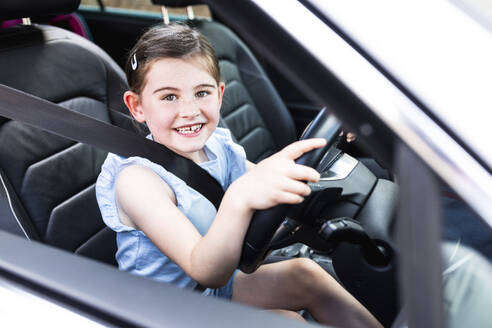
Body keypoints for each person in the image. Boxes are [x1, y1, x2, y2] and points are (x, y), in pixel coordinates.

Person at [96, 23, 381, 328]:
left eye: (201, 93)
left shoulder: (217, 145)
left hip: (208, 293)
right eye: (169, 97)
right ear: (137, 107)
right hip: (164, 312)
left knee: (307, 276)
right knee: (287, 322)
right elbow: (204, 269)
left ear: (219, 94)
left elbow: (268, 184)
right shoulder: (137, 180)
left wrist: (324, 144)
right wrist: (238, 198)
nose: (189, 110)